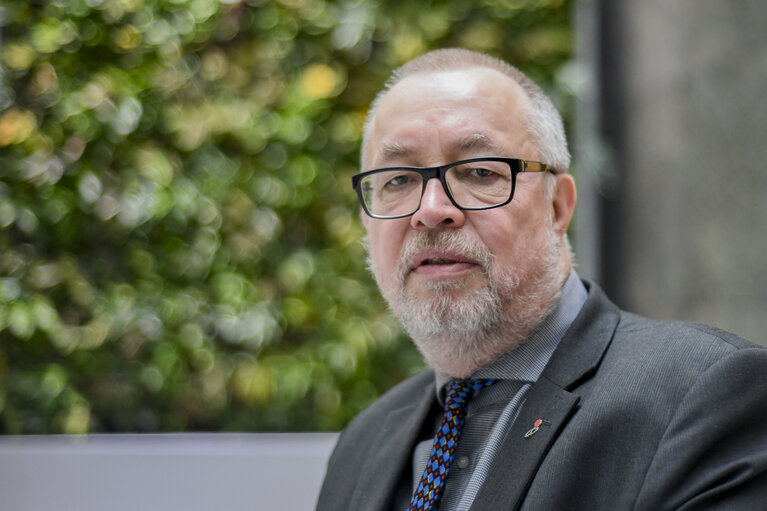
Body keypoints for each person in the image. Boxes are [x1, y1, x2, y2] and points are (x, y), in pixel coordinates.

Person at [315, 48, 767, 511]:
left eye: (479, 171)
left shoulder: (704, 393)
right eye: (397, 180)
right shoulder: (362, 444)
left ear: (558, 207)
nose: (431, 211)